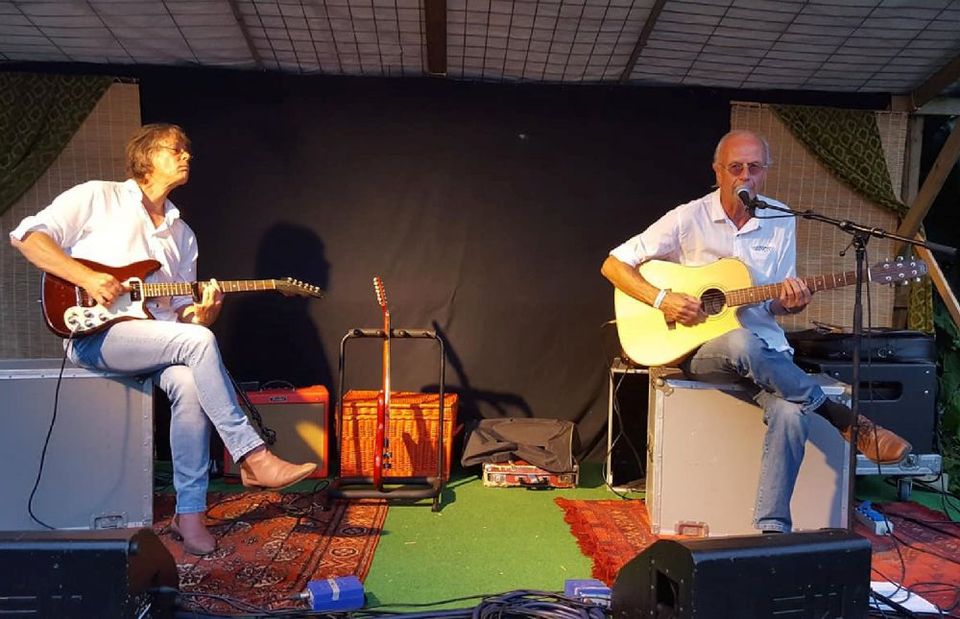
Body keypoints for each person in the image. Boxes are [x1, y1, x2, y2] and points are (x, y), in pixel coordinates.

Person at [10, 123, 317, 555]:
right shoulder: (98, 197)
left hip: (153, 342)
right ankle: (252, 456)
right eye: (176, 149)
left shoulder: (183, 234)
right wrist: (88, 277)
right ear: (147, 156)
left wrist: (203, 314)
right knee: (196, 343)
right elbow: (27, 237)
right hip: (94, 336)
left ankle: (189, 515)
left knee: (191, 379)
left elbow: (180, 316)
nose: (187, 156)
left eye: (187, 150)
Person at [601, 129, 911, 533]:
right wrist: (663, 299)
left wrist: (792, 302)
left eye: (754, 167)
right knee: (740, 340)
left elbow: (775, 303)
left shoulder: (780, 219)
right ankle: (841, 417)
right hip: (703, 351)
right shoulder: (687, 218)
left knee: (792, 413)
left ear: (765, 172)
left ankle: (772, 530)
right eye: (735, 167)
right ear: (717, 171)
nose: (744, 176)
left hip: (767, 355)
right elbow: (614, 264)